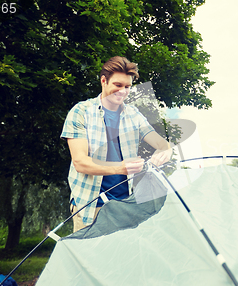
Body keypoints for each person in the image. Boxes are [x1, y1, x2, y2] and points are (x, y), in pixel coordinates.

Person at [61, 56, 172, 232]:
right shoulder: (81, 112)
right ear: (103, 81)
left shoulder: (133, 114)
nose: (123, 91)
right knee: (90, 259)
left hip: (124, 206)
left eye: (127, 87)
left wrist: (165, 151)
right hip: (90, 206)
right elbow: (80, 162)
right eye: (118, 85)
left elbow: (161, 143)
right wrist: (121, 168)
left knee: (123, 258)